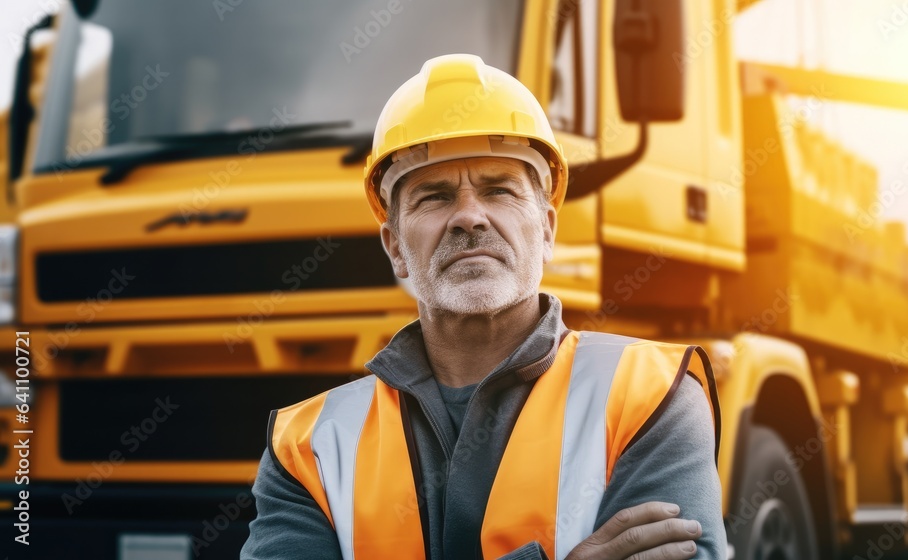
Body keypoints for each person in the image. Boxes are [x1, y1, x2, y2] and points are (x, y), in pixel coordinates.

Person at [241, 54, 724, 560]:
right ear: (395, 247)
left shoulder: (649, 396)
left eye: (499, 190)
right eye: (434, 196)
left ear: (547, 231)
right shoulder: (308, 446)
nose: (469, 217)